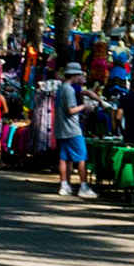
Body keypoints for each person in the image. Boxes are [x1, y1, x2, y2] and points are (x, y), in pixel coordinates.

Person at [54, 62, 97, 198]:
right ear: (74, 75)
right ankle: (83, 186)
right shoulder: (69, 90)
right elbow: (71, 110)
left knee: (64, 158)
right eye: (79, 75)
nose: (80, 77)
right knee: (81, 157)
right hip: (72, 129)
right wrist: (85, 106)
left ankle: (65, 185)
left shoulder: (61, 88)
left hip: (61, 129)